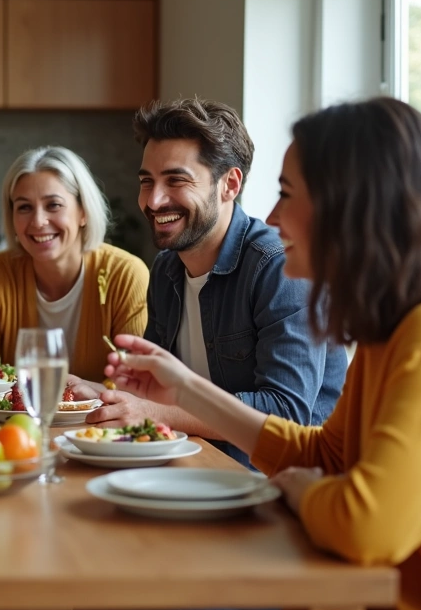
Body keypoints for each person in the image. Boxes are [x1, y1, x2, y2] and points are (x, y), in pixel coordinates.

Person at [104, 97, 421, 610]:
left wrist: (302, 491)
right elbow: (329, 454)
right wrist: (185, 390)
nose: (272, 216)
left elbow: (368, 527)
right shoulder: (392, 327)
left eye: (286, 194)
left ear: (349, 207)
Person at [74, 98, 347, 467]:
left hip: (279, 481)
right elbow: (156, 391)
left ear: (229, 185)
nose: (153, 200)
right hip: (196, 466)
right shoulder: (166, 269)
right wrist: (97, 395)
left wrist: (154, 413)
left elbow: (287, 413)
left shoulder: (278, 267)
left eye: (176, 180)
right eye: (147, 182)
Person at [0, 145, 150, 381]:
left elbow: (136, 380)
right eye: (24, 207)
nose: (38, 221)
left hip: (103, 408)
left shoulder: (126, 274)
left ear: (83, 212)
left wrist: (83, 394)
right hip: (23, 407)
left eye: (53, 205)